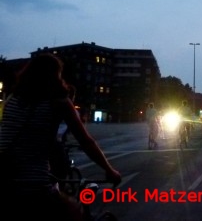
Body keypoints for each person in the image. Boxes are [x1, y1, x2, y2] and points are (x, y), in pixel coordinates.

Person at [0, 53, 121, 220]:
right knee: (74, 213)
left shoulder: (12, 100)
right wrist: (109, 170)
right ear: (54, 75)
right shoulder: (58, 102)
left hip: (5, 182)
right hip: (34, 186)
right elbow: (86, 141)